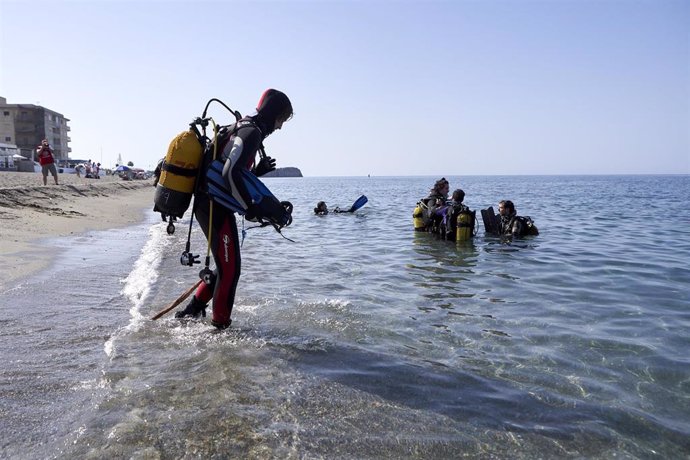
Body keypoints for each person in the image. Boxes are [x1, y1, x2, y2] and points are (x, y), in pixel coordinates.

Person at [174, 88, 294, 329]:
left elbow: (228, 168)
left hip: (210, 203)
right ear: (273, 114)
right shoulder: (251, 132)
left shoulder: (242, 126)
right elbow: (230, 173)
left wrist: (256, 172)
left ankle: (191, 312)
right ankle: (220, 330)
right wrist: (249, 208)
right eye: (281, 119)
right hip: (212, 206)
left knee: (225, 266)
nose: (280, 127)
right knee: (230, 271)